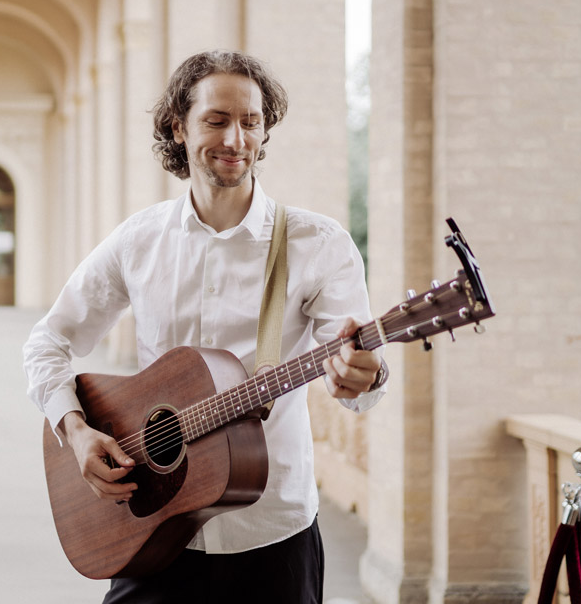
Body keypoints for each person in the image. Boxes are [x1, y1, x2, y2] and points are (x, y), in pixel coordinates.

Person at [23, 50, 386, 603]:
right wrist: (75, 431)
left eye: (251, 122)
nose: (236, 140)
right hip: (153, 524)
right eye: (216, 120)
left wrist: (363, 375)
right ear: (178, 126)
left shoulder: (319, 244)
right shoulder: (138, 240)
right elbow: (48, 342)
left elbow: (359, 377)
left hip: (272, 534)